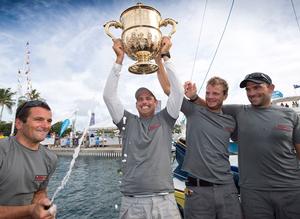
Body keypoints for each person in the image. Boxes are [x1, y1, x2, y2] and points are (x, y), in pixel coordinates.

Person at [189, 72, 300, 219]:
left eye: (257, 87)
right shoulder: (239, 111)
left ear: (271, 88)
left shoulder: (291, 114)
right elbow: (211, 104)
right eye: (248, 89)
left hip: (291, 190)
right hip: (253, 194)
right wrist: (194, 97)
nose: (252, 93)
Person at [103, 37, 183, 219]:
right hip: (132, 201)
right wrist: (119, 60)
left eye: (148, 98)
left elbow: (178, 92)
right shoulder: (126, 121)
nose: (144, 101)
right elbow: (109, 97)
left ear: (156, 102)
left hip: (165, 199)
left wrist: (166, 57)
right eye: (140, 99)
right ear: (136, 104)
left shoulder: (166, 118)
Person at [157, 60, 241, 218]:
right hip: (197, 191)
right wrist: (158, 60)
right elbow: (168, 89)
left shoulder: (231, 119)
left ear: (225, 95)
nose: (210, 97)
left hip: (227, 189)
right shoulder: (193, 110)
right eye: (208, 93)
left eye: (215, 93)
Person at [0, 100, 58, 219]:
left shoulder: (50, 158)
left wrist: (43, 205)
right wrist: (30, 210)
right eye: (39, 119)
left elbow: (40, 191)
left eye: (49, 121)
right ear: (19, 124)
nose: (46, 125)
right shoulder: (2, 151)